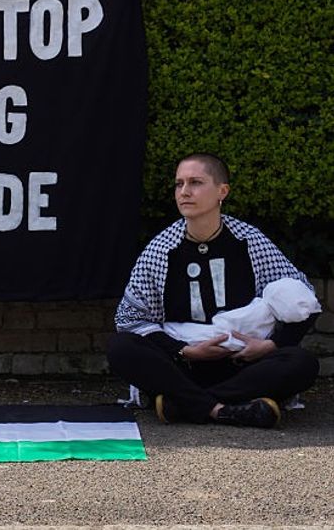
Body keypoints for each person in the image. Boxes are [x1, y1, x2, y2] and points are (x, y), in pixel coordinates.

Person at [107, 153, 320, 428]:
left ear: (222, 191)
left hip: (243, 363)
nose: (184, 192)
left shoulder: (249, 242)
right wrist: (184, 350)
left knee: (302, 362)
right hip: (184, 365)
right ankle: (227, 409)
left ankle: (184, 404)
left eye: (195, 182)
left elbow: (304, 301)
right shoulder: (161, 249)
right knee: (121, 347)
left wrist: (270, 345)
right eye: (179, 184)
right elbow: (130, 318)